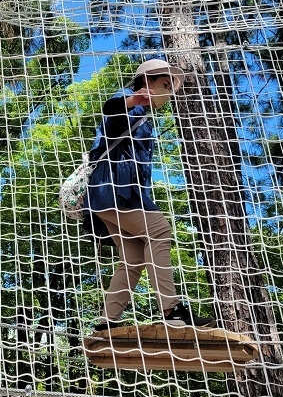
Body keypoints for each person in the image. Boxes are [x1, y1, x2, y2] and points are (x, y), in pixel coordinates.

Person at [84, 58, 214, 330]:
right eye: (165, 84)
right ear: (147, 81)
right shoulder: (128, 102)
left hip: (109, 196)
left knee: (133, 260)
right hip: (115, 190)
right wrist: (134, 100)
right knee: (160, 231)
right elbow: (111, 110)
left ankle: (107, 321)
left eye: (171, 87)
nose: (168, 92)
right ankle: (172, 310)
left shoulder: (144, 117)